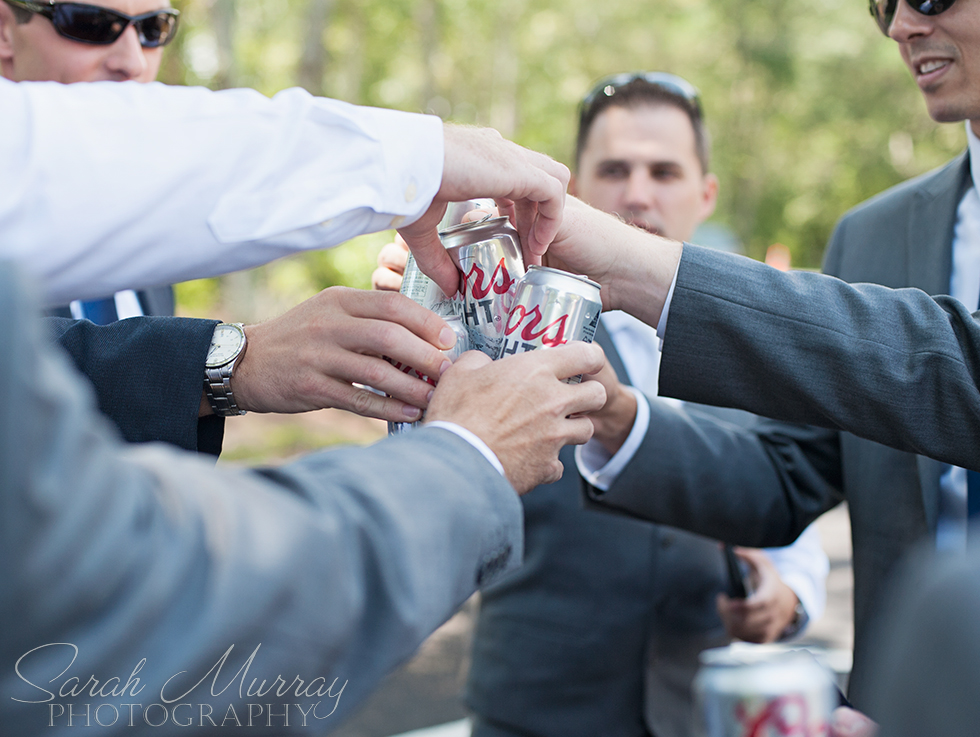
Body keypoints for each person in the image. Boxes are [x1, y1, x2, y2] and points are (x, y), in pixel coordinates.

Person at [447, 74, 825, 737]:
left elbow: (795, 483)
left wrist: (789, 596)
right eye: (615, 169)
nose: (638, 193)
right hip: (534, 712)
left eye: (664, 171)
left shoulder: (760, 340)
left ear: (705, 194)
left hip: (706, 711)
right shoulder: (498, 318)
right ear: (574, 191)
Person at [1, 0, 182, 322]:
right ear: (4, 30)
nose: (134, 62)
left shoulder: (149, 217)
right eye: (92, 24)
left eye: (153, 29)